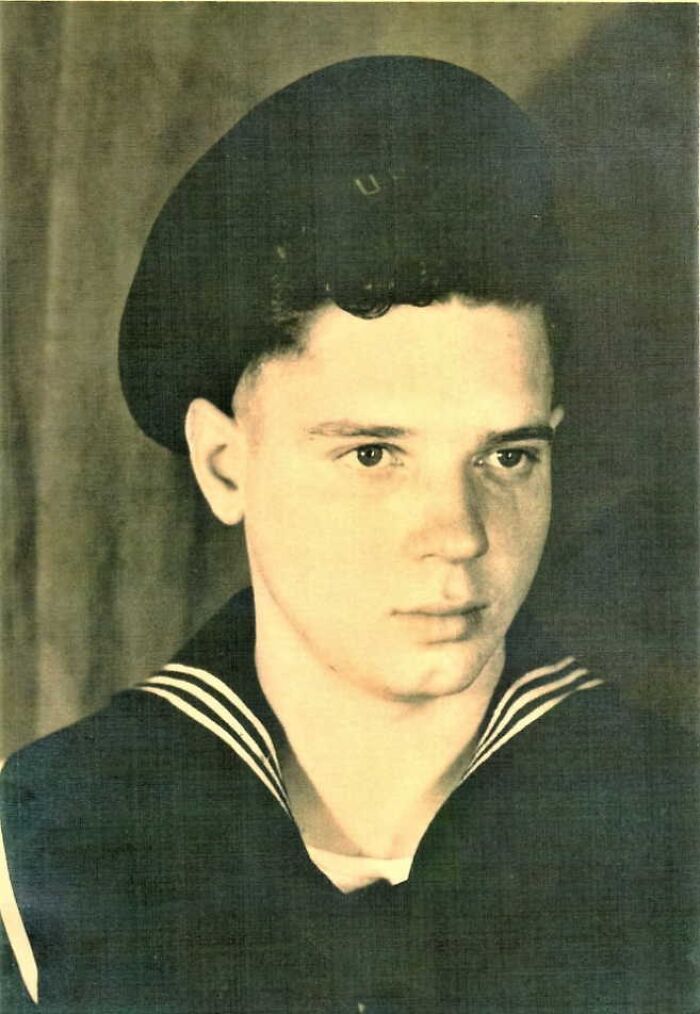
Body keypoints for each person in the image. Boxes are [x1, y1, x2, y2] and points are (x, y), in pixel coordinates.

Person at [1, 56, 695, 1013]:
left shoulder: (670, 822)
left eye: (508, 457)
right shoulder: (49, 844)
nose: (457, 536)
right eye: (374, 455)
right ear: (224, 464)